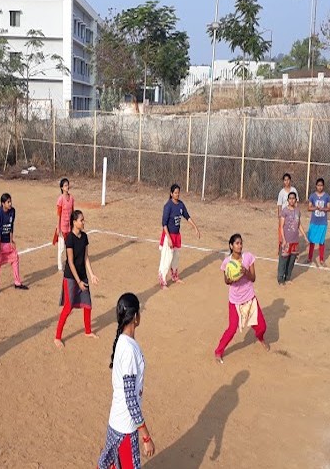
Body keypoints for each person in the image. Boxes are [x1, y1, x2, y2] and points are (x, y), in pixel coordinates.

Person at [97, 293, 155, 469]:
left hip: (117, 420)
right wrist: (146, 436)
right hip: (125, 428)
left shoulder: (123, 342)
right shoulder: (129, 350)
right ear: (136, 316)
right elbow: (131, 400)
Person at [215, 233, 269, 364]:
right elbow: (227, 282)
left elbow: (253, 278)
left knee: (262, 327)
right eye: (237, 243)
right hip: (235, 301)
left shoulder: (248, 257)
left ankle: (260, 338)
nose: (239, 245)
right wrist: (232, 278)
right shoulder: (227, 262)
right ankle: (218, 351)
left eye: (241, 243)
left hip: (250, 298)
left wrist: (245, 272)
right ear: (231, 246)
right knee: (232, 328)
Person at [54, 210, 99, 348]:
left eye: (83, 220)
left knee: (88, 305)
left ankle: (87, 331)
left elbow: (86, 257)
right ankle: (57, 337)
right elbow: (71, 262)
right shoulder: (70, 239)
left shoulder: (84, 237)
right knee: (68, 307)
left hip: (82, 275)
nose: (83, 222)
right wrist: (78, 281)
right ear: (74, 222)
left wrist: (91, 275)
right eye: (81, 220)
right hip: (71, 278)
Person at [158, 184, 200, 289]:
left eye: (178, 193)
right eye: (175, 193)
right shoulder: (168, 206)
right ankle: (162, 280)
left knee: (176, 258)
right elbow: (164, 224)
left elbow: (187, 216)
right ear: (171, 194)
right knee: (167, 259)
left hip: (177, 235)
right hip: (169, 235)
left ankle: (174, 276)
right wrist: (168, 239)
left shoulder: (181, 205)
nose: (177, 195)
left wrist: (195, 228)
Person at [0, 193, 29, 295]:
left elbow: (11, 226)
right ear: (3, 203)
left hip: (7, 240)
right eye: (8, 202)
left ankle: (17, 283)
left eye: (10, 201)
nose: (10, 203)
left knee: (15, 258)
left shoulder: (12, 211)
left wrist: (11, 240)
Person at [278, 192, 308, 285]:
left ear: (296, 200)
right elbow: (281, 226)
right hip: (286, 240)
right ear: (287, 200)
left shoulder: (298, 211)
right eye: (290, 198)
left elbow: (299, 225)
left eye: (293, 198)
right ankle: (280, 279)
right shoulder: (284, 211)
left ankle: (288, 277)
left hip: (295, 240)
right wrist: (283, 239)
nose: (291, 200)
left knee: (292, 260)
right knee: (283, 260)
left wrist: (305, 237)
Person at [304, 178, 330, 267]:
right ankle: (309, 257)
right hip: (314, 222)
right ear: (316, 186)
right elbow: (309, 208)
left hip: (322, 222)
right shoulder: (312, 196)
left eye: (321, 185)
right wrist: (316, 208)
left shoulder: (327, 196)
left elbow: (329, 208)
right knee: (312, 241)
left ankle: (321, 259)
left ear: (323, 186)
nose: (320, 187)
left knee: (321, 241)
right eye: (318, 185)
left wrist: (322, 209)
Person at [54, 178, 75, 271]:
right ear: (62, 188)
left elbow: (73, 212)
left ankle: (69, 263)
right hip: (62, 226)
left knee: (69, 246)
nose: (67, 187)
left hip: (69, 226)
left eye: (68, 185)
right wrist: (58, 227)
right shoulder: (60, 199)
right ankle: (59, 266)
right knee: (61, 248)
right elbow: (59, 214)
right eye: (65, 185)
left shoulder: (72, 198)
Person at [277, 173, 298, 253]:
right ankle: (281, 247)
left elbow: (296, 203)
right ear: (283, 181)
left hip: (292, 216)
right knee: (282, 231)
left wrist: (296, 214)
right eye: (285, 180)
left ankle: (292, 249)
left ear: (290, 180)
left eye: (288, 180)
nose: (287, 182)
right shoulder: (281, 192)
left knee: (292, 231)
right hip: (284, 216)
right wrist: (279, 216)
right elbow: (279, 205)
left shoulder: (294, 190)